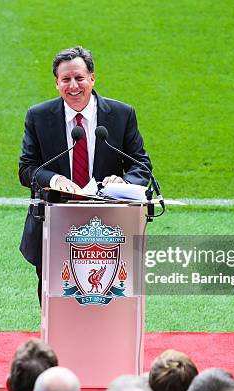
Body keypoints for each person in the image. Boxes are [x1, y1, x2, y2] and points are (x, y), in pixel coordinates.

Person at [18, 46, 152, 302]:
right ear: (56, 83)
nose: (73, 86)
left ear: (92, 78)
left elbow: (142, 165)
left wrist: (123, 182)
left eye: (79, 78)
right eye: (65, 80)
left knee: (107, 293)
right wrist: (54, 179)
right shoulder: (38, 116)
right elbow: (27, 168)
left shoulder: (122, 115)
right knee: (55, 297)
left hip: (111, 224)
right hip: (54, 222)